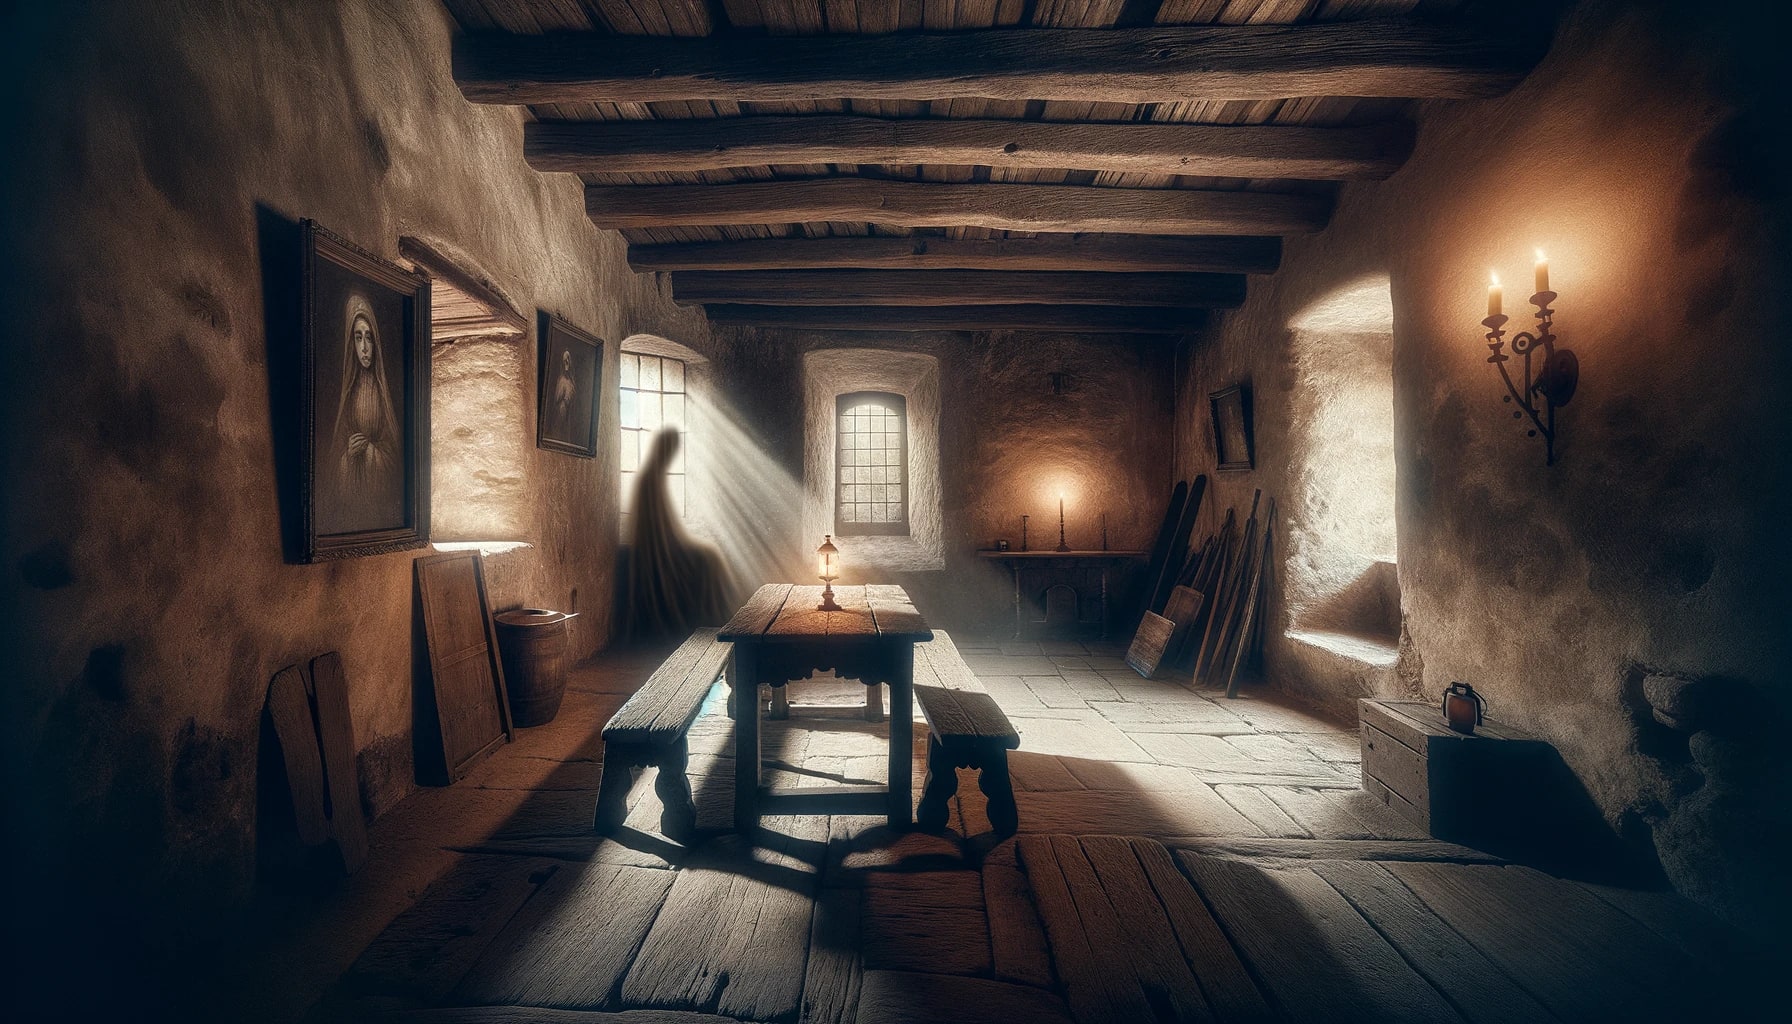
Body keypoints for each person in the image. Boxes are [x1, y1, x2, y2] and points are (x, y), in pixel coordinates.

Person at [618, 426, 740, 640]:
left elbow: (666, 522)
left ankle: (716, 615)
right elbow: (659, 526)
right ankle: (713, 617)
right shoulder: (649, 479)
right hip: (656, 548)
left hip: (665, 543)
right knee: (708, 556)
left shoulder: (654, 477)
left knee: (708, 552)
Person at [329, 295, 402, 529]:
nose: (364, 348)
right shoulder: (347, 393)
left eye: (368, 338)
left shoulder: (383, 393)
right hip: (352, 501)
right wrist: (348, 455)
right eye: (358, 338)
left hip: (377, 499)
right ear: (351, 343)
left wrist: (370, 451)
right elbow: (332, 463)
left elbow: (395, 458)